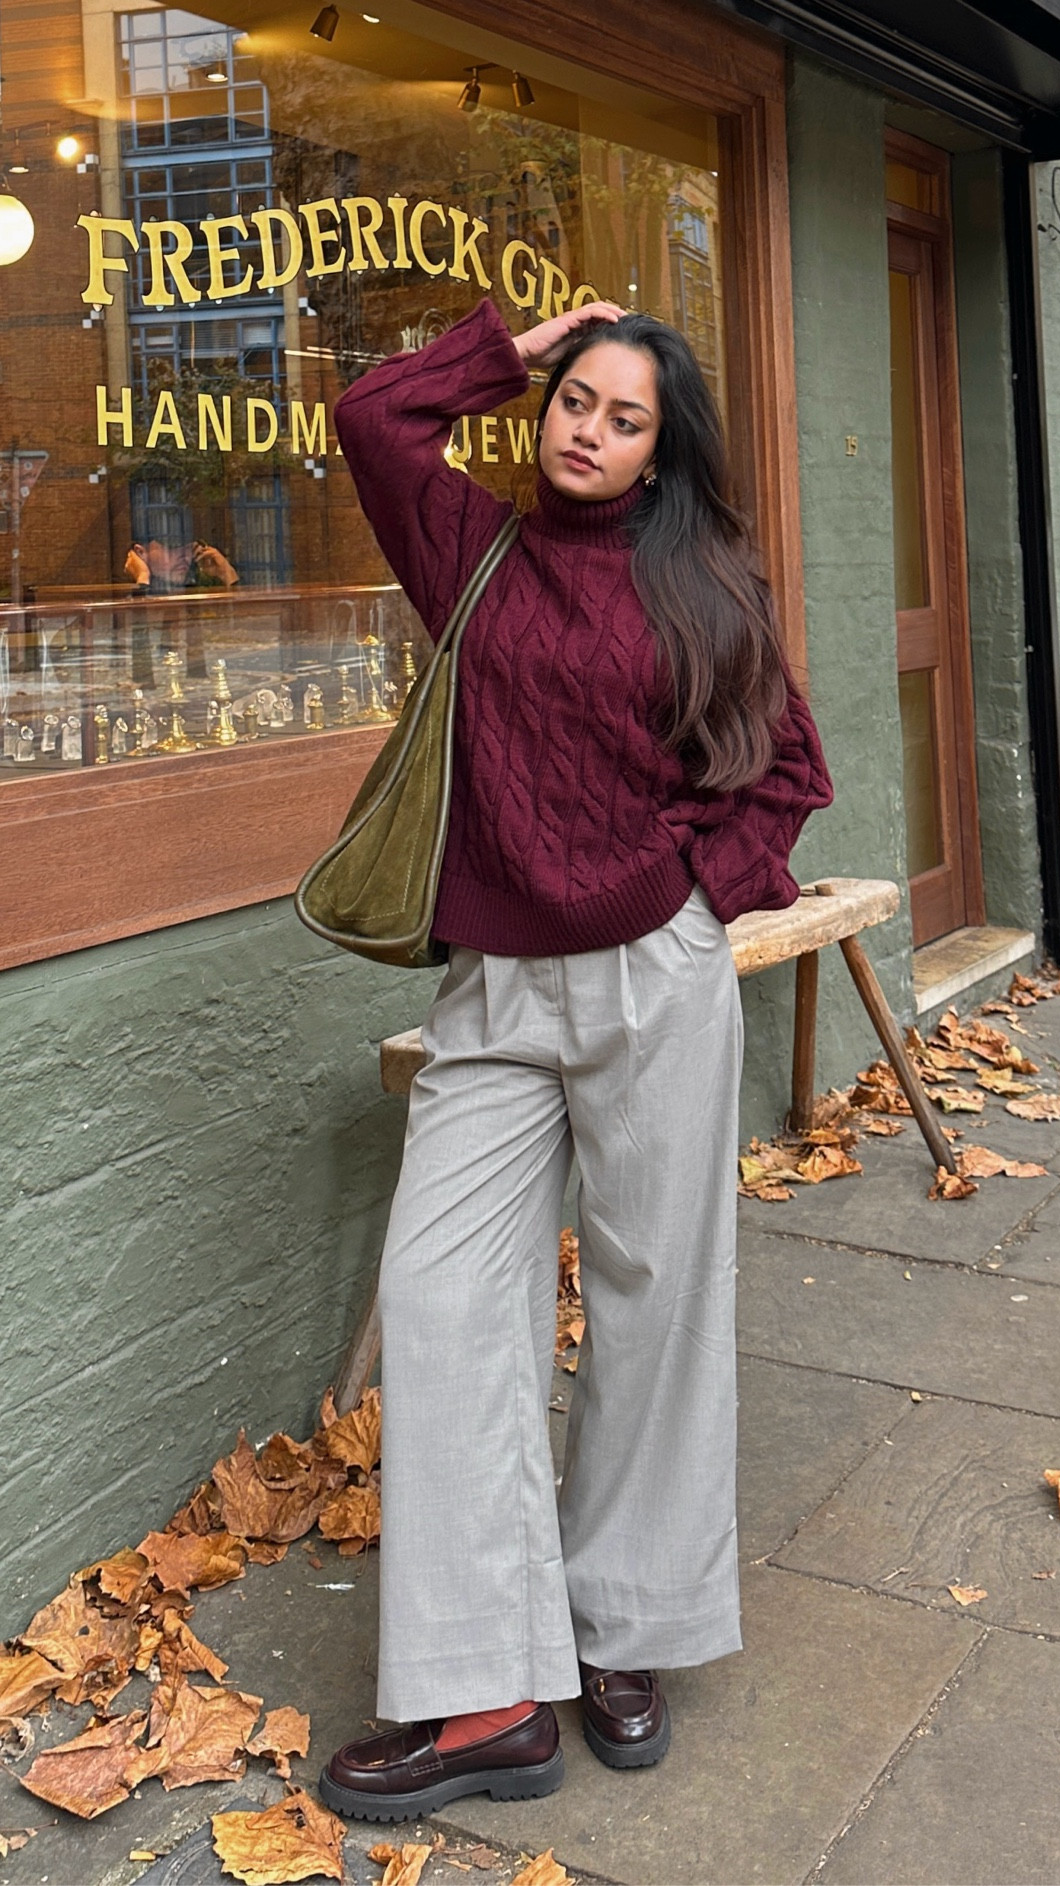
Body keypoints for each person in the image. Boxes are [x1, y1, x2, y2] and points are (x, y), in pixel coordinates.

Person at [320, 298, 833, 1823]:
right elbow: (370, 421)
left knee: (654, 1301)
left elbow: (787, 775)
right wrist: (510, 342)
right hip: (495, 992)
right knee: (437, 1289)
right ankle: (486, 1688)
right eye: (574, 402)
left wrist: (683, 900)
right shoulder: (469, 546)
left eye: (624, 417)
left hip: (647, 984)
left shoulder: (702, 586)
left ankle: (625, 1629)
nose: (588, 431)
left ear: (663, 453)